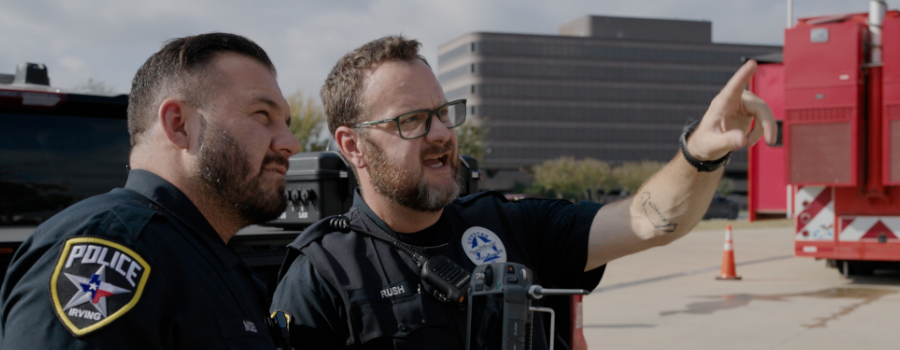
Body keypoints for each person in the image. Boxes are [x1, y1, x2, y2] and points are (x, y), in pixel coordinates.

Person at [270, 35, 776, 349]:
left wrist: (701, 152)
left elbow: (648, 221)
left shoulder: (511, 224)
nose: (442, 133)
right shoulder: (322, 276)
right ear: (352, 146)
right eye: (412, 121)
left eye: (444, 113)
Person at [0, 33, 301, 349]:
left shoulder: (202, 256)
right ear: (179, 125)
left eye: (286, 123)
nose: (291, 143)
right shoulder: (111, 254)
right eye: (262, 115)